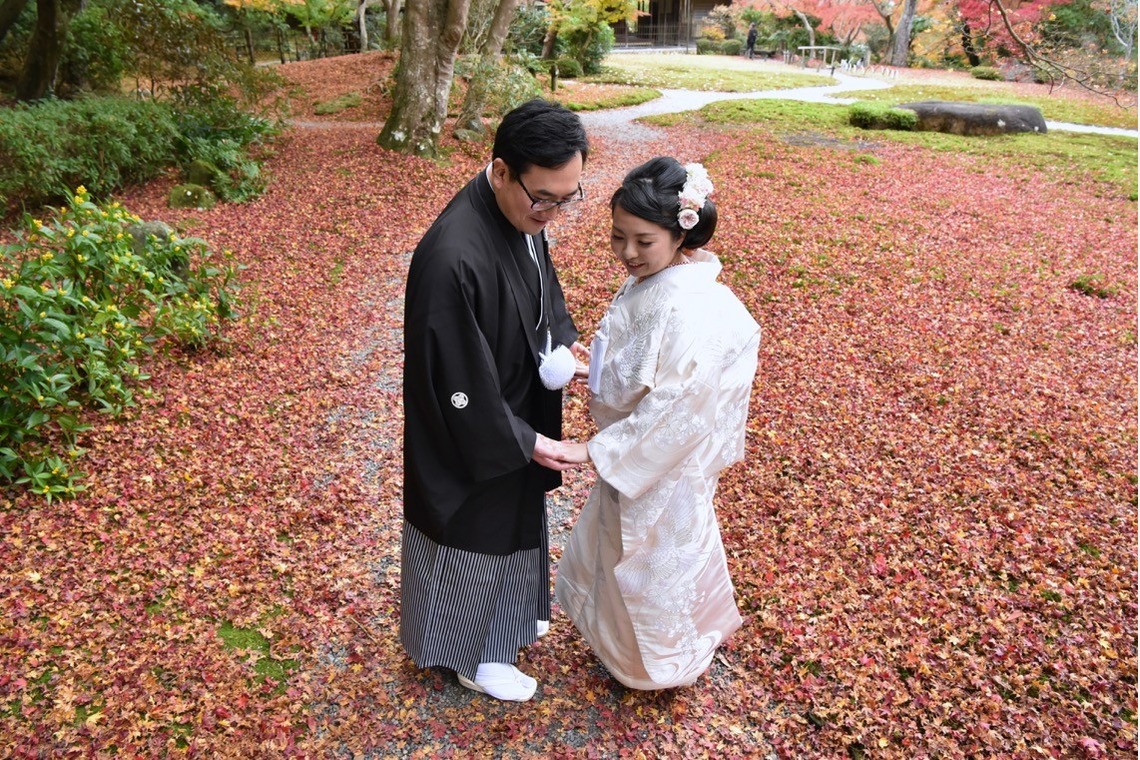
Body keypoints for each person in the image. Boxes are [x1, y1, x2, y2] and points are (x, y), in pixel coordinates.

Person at [400, 99, 590, 702]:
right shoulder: (452, 254)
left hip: (514, 395)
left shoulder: (522, 213)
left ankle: (506, 626)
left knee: (514, 516)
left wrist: (561, 344)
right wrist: (524, 438)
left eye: (569, 198)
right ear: (501, 169)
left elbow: (542, 290)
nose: (554, 214)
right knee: (477, 523)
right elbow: (452, 374)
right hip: (472, 421)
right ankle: (471, 654)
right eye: (545, 199)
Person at [552, 157, 761, 690]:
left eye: (643, 242)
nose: (627, 253)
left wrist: (597, 448)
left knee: (652, 563)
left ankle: (660, 666)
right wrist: (592, 366)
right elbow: (638, 362)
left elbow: (681, 400)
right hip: (643, 454)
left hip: (662, 463)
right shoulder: (663, 279)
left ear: (680, 233)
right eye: (618, 237)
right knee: (626, 552)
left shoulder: (688, 302)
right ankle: (624, 649)